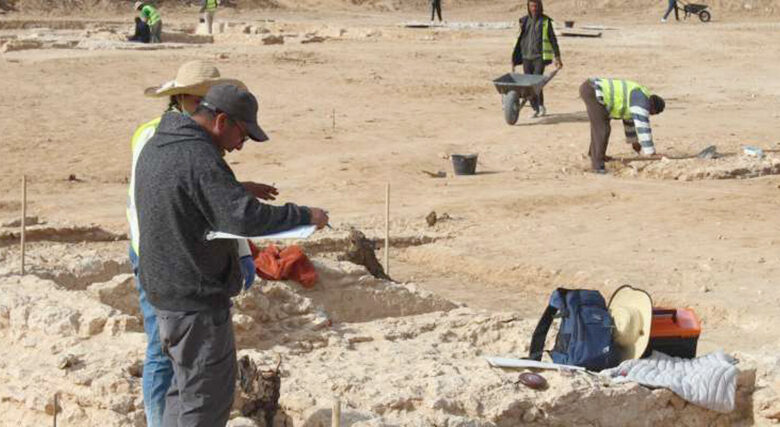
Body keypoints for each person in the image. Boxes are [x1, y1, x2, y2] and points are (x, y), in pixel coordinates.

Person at [135, 83, 329, 427]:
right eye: (242, 135)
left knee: (182, 395)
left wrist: (233, 189)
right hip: (195, 301)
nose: (241, 145)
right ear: (221, 121)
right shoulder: (197, 155)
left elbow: (188, 194)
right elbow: (242, 217)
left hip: (166, 293)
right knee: (205, 403)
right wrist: (303, 215)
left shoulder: (161, 143)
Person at [128, 61, 275, 427]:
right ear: (191, 100)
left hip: (174, 261)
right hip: (171, 261)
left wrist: (234, 192)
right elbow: (161, 206)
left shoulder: (183, 137)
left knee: (183, 374)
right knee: (178, 369)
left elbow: (192, 194)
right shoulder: (162, 138)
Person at [579, 78, 666, 174]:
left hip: (593, 89)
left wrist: (634, 142)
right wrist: (651, 152)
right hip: (593, 90)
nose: (649, 114)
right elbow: (643, 126)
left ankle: (596, 154)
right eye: (652, 113)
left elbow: (629, 121)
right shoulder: (642, 101)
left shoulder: (639, 97)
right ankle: (597, 165)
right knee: (602, 128)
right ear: (653, 108)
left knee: (600, 126)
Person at [511, 0, 562, 118]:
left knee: (536, 83)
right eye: (531, 6)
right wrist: (514, 58)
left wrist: (557, 56)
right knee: (528, 84)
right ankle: (535, 108)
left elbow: (553, 39)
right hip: (526, 57)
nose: (534, 8)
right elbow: (518, 41)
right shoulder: (523, 21)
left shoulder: (545, 21)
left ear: (540, 7)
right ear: (528, 7)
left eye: (536, 6)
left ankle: (540, 106)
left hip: (539, 57)